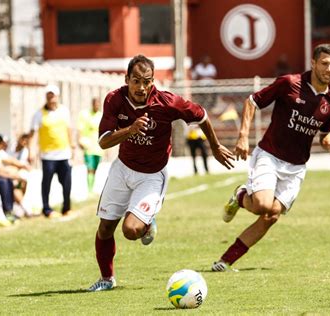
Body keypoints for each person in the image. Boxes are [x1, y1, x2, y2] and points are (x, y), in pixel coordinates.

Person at [88, 55, 234, 291]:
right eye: (136, 81)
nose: (141, 87)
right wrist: (130, 129)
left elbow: (202, 115)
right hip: (122, 169)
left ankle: (147, 222)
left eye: (147, 81)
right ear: (127, 79)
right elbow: (104, 142)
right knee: (105, 227)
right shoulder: (114, 99)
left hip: (152, 175)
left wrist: (215, 147)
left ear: (153, 81)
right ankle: (106, 279)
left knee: (131, 230)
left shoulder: (167, 102)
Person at [211, 43, 330, 272]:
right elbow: (252, 102)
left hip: (297, 166)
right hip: (270, 156)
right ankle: (241, 195)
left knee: (271, 215)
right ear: (313, 63)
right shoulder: (290, 83)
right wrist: (243, 136)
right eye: (325, 63)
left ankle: (225, 260)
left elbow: (326, 131)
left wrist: (329, 141)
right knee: (262, 205)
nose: (329, 69)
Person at [29, 84, 75, 218]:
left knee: (67, 183)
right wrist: (31, 151)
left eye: (53, 95)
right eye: (49, 95)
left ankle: (66, 208)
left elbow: (69, 129)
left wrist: (72, 145)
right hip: (48, 156)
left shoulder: (64, 111)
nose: (51, 98)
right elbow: (33, 133)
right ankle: (46, 209)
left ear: (58, 96)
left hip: (64, 154)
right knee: (46, 184)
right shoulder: (38, 114)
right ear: (46, 97)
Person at [78, 97, 104, 193]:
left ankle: (92, 186)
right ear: (92, 104)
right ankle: (90, 190)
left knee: (95, 168)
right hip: (88, 146)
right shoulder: (85, 114)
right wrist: (80, 140)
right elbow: (80, 129)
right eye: (95, 104)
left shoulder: (101, 116)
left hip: (98, 147)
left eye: (98, 104)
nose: (96, 105)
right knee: (90, 168)